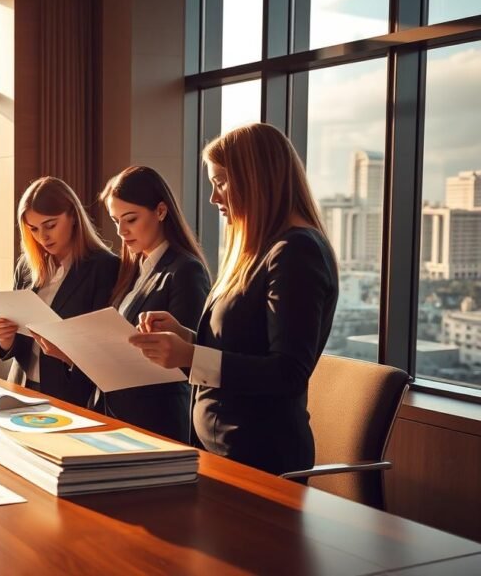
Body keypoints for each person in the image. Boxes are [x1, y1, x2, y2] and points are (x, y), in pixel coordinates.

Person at [131, 122, 339, 476]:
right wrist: (187, 339)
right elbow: (246, 346)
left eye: (221, 182)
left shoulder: (295, 251)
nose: (214, 198)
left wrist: (191, 356)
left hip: (258, 458)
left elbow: (287, 372)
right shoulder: (262, 249)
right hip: (224, 453)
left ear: (256, 178)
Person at [97, 166, 210, 442]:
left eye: (130, 219)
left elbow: (189, 361)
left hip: (158, 419)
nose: (121, 231)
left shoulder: (185, 270)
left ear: (160, 211)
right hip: (120, 414)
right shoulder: (133, 268)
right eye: (115, 221)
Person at [0, 176, 119, 407]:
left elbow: (104, 347)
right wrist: (5, 339)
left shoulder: (104, 267)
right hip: (21, 388)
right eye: (33, 229)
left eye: (50, 225)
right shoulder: (27, 266)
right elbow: (20, 343)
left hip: (71, 395)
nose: (43, 237)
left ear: (73, 216)